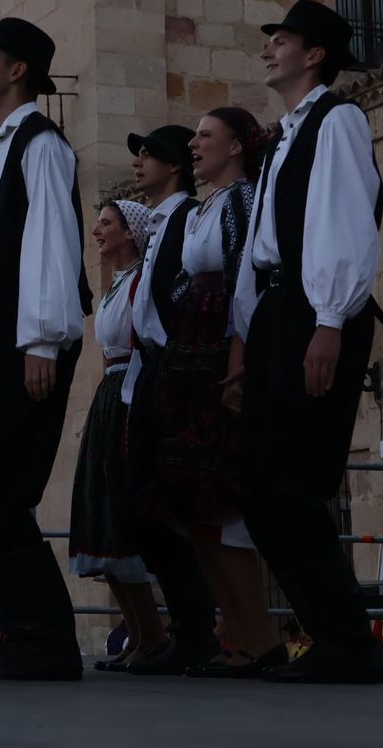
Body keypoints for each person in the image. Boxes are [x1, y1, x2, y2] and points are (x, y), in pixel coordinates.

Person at [226, 0, 383, 686]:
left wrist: (328, 319)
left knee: (292, 484)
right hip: (278, 309)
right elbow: (262, 247)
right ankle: (327, 635)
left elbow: (346, 221)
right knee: (259, 489)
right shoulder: (284, 136)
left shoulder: (337, 120)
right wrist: (245, 341)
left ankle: (347, 642)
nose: (268, 51)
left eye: (281, 40)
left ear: (313, 53)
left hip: (314, 307)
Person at [0, 18, 92, 681]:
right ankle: (28, 629)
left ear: (19, 71)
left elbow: (52, 241)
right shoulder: (5, 145)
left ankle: (44, 638)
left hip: (21, 332)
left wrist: (40, 338)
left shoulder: (40, 143)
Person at [143, 108, 285, 680]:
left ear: (235, 147)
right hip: (189, 353)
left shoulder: (242, 201)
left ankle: (259, 637)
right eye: (195, 137)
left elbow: (244, 278)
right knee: (196, 505)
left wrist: (237, 359)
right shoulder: (204, 209)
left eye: (206, 136)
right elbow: (182, 280)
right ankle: (240, 637)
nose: (195, 145)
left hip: (215, 355)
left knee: (221, 502)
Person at [119, 125, 221, 677]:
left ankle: (196, 631)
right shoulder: (161, 224)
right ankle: (189, 628)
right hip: (151, 372)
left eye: (150, 154)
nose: (138, 162)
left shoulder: (185, 219)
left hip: (175, 368)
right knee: (144, 511)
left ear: (176, 166)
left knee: (166, 508)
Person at [68, 199, 164, 673]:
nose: (98, 232)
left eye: (106, 224)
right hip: (111, 398)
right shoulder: (114, 289)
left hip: (130, 397)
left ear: (131, 233)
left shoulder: (141, 283)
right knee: (103, 518)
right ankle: (140, 635)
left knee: (121, 519)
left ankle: (153, 635)